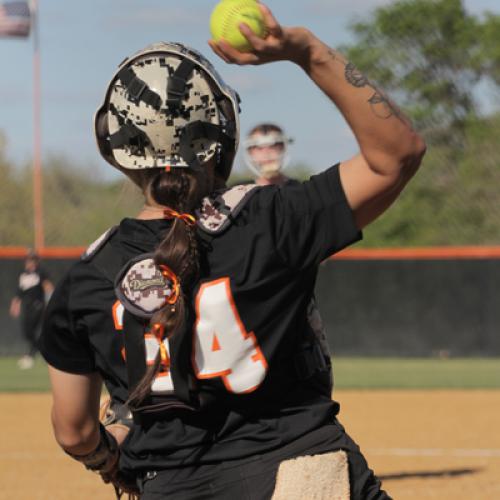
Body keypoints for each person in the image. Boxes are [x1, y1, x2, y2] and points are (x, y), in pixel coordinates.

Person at [39, 4, 426, 500]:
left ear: (112, 143)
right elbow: (398, 153)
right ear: (221, 130)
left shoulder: (87, 280)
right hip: (302, 476)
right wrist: (307, 51)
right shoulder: (270, 219)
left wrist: (111, 463)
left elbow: (74, 432)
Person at [10, 250, 53, 369]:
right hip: (27, 306)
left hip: (38, 305)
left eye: (32, 260)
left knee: (32, 330)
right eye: (28, 259)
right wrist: (15, 304)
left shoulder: (40, 272)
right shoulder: (23, 274)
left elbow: (48, 287)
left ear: (36, 261)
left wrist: (49, 302)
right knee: (27, 332)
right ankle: (43, 351)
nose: (29, 262)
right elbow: (19, 292)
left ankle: (30, 356)